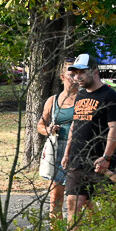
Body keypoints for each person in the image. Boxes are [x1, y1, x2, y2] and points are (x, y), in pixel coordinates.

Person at [60, 54, 116, 230]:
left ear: (94, 72)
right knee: (73, 206)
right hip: (77, 160)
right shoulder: (80, 95)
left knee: (110, 210)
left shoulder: (110, 96)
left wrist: (106, 158)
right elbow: (75, 125)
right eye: (74, 73)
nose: (77, 77)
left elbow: (114, 128)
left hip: (99, 163)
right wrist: (67, 153)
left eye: (81, 72)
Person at [36, 61, 79, 219]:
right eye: (71, 75)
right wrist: (48, 130)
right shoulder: (52, 101)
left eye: (77, 74)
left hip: (79, 150)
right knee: (55, 199)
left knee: (79, 200)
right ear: (62, 77)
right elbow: (40, 125)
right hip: (58, 150)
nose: (75, 78)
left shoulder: (84, 99)